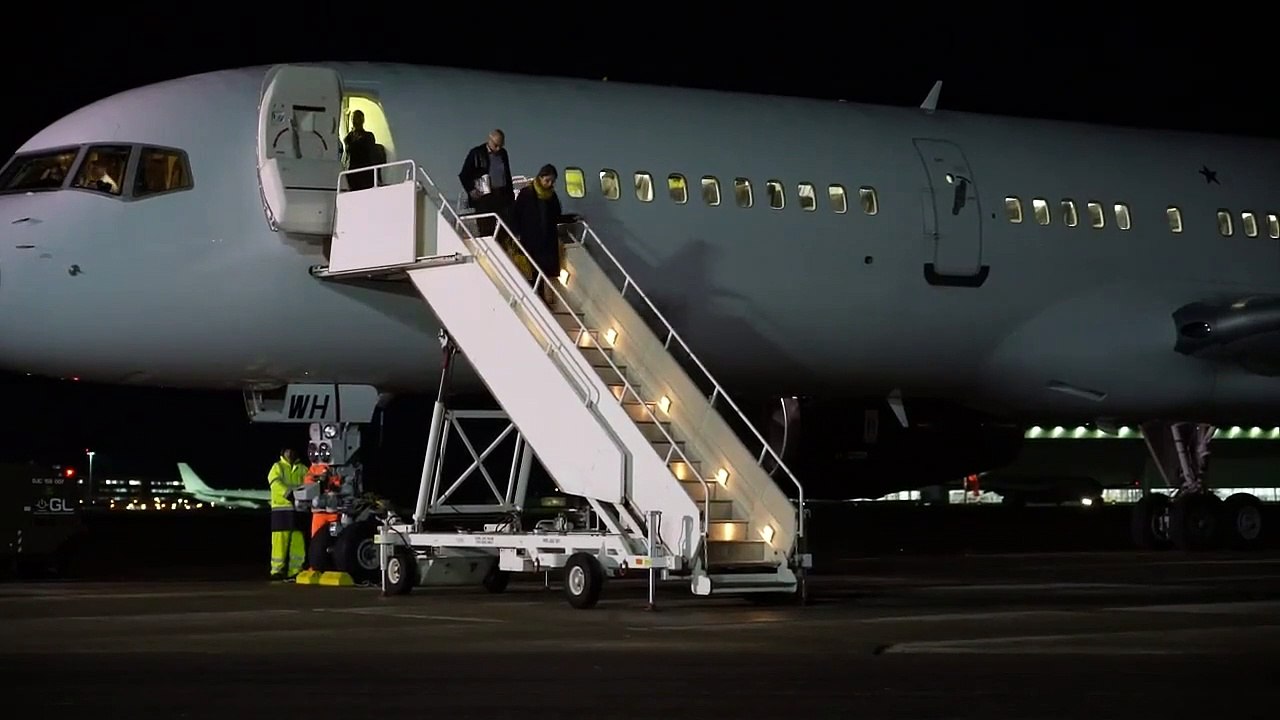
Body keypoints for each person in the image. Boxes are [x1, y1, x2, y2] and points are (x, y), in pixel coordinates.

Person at [510, 164, 578, 305]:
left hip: (547, 241)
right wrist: (516, 233)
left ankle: (543, 300)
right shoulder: (526, 194)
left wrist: (570, 218)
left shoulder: (552, 197)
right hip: (530, 240)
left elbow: (555, 217)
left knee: (544, 273)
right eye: (547, 180)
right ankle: (538, 300)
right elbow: (516, 215)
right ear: (540, 178)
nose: (550, 184)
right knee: (533, 271)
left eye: (552, 181)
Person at [458, 129, 514, 237]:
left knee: (503, 231)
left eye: (501, 145)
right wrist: (471, 190)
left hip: (501, 196)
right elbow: (464, 175)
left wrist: (510, 197)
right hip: (484, 198)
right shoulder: (476, 153)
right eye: (496, 145)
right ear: (489, 139)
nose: (498, 148)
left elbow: (507, 175)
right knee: (486, 230)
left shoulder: (503, 154)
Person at [267, 447, 306, 580]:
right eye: (287, 451)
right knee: (279, 542)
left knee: (298, 542)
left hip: (298, 510)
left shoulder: (302, 468)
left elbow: (309, 483)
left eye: (292, 450)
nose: (290, 453)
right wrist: (289, 493)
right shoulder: (277, 467)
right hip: (281, 510)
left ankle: (295, 570)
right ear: (283, 453)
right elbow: (275, 483)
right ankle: (276, 570)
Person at [343, 110, 378, 191]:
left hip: (364, 172)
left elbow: (371, 154)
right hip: (351, 173)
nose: (354, 119)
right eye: (353, 117)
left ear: (363, 120)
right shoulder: (348, 137)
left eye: (357, 117)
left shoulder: (368, 136)